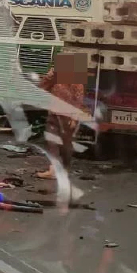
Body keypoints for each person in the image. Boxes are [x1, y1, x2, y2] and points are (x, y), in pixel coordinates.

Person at [35, 51, 88, 180]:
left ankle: (65, 168)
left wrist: (74, 118)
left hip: (67, 117)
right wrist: (50, 76)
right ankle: (53, 169)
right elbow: (41, 87)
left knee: (66, 145)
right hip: (54, 113)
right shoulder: (56, 78)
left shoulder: (76, 81)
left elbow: (78, 100)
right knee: (51, 141)